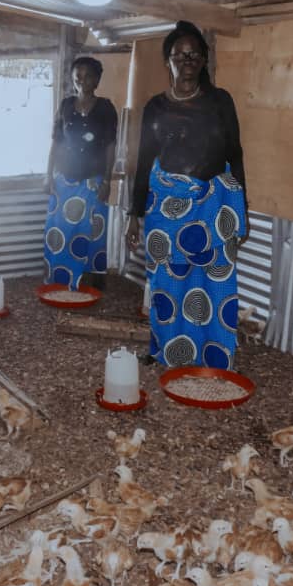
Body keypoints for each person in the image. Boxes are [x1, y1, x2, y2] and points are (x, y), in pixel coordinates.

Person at [127, 21, 249, 369]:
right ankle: (168, 351)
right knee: (167, 283)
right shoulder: (155, 107)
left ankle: (212, 358)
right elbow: (143, 162)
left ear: (204, 60)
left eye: (194, 54)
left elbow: (235, 155)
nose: (187, 60)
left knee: (213, 284)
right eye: (179, 54)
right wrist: (134, 214)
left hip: (214, 208)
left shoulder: (220, 102)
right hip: (166, 209)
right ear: (168, 61)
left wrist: (242, 213)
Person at [43, 56, 118, 290]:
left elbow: (110, 145)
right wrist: (48, 175)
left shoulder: (105, 108)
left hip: (93, 180)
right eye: (78, 77)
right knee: (61, 230)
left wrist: (107, 180)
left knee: (93, 230)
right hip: (65, 179)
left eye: (88, 77)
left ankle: (92, 282)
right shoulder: (66, 105)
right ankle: (60, 281)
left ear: (97, 80)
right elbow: (56, 142)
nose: (82, 81)